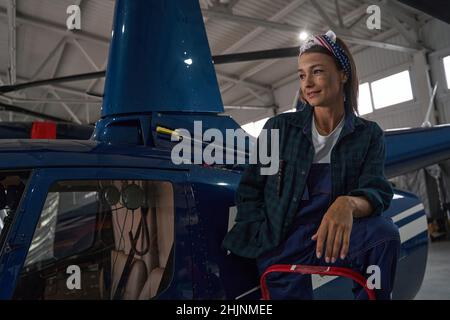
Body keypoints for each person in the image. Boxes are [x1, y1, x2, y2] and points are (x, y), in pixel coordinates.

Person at [222, 30, 400, 300]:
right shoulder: (277, 129)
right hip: (283, 240)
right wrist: (264, 239)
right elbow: (251, 190)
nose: (308, 83)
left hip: (335, 238)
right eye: (302, 75)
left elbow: (376, 192)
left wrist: (347, 204)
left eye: (317, 71)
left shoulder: (368, 134)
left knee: (384, 235)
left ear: (343, 74)